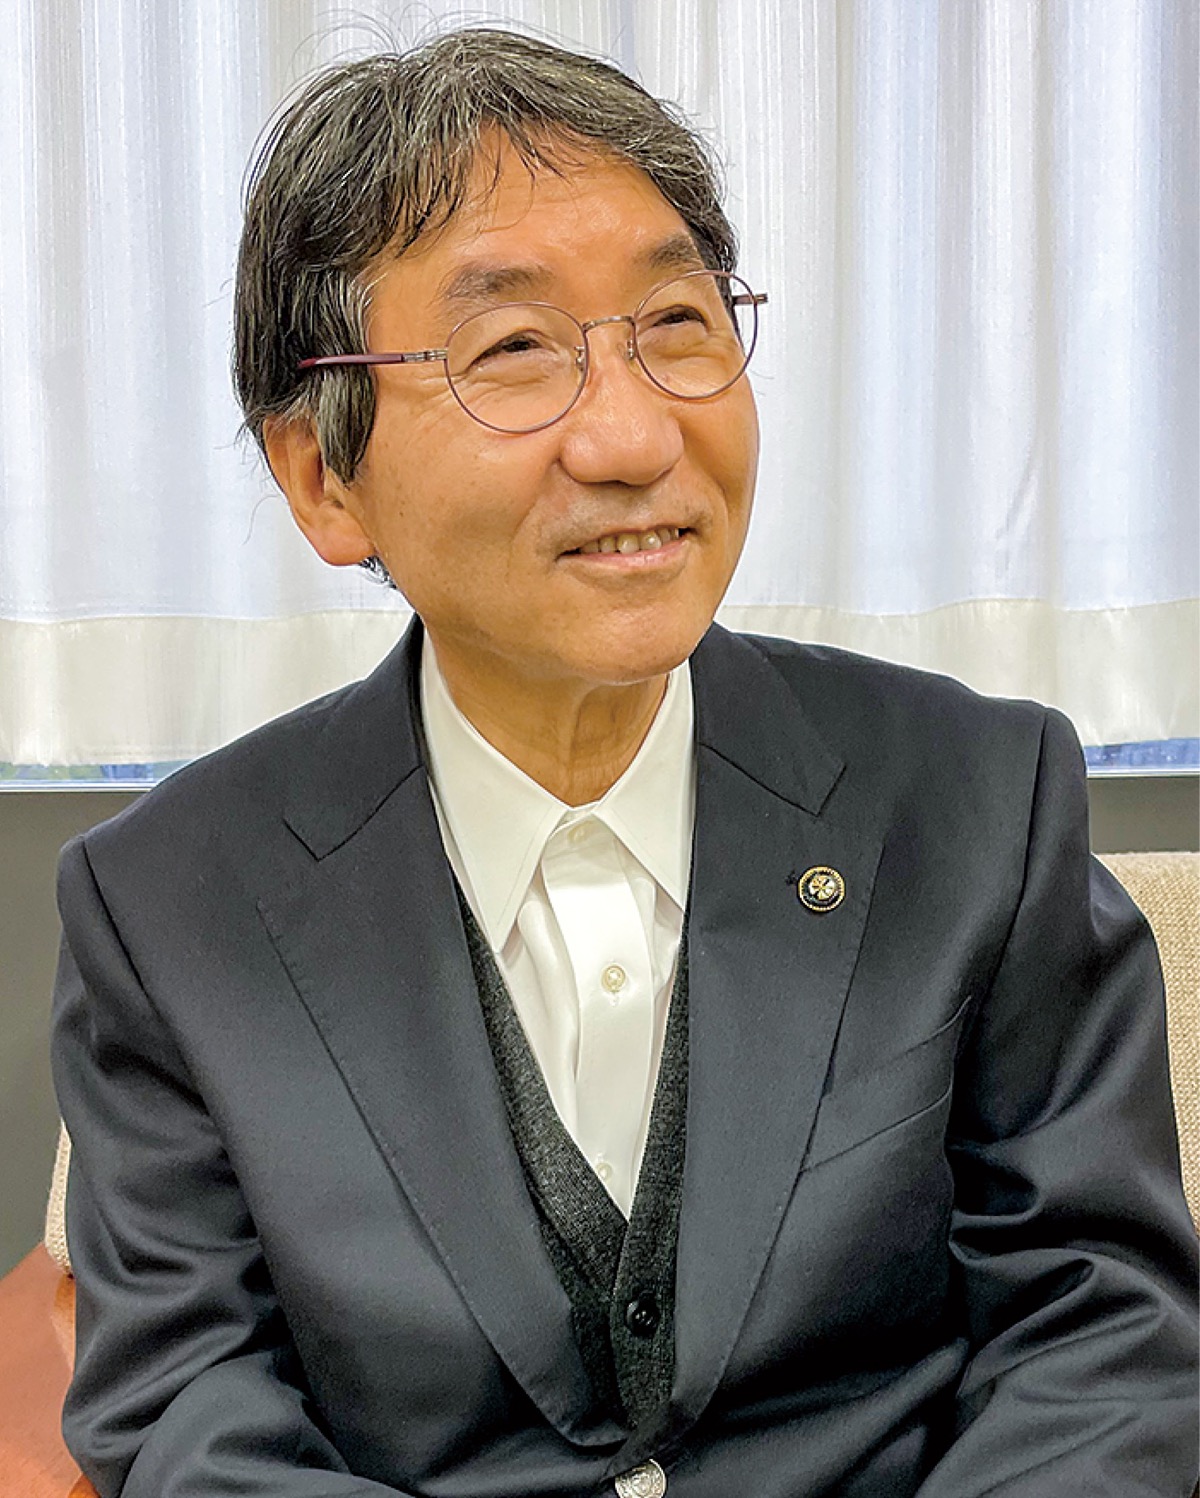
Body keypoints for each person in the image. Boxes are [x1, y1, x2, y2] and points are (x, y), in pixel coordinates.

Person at [50, 28, 1197, 1498]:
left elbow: (1099, 1330)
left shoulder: (979, 802)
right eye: (514, 350)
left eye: (676, 321)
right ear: (323, 478)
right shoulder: (169, 906)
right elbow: (187, 1406)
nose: (634, 434)